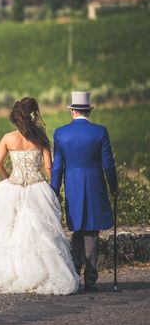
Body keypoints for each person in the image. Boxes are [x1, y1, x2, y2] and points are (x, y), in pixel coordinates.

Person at [0, 97, 80, 295]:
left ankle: (15, 273)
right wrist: (55, 191)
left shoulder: (8, 138)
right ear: (33, 115)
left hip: (14, 188)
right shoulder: (40, 137)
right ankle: (43, 273)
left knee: (11, 233)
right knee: (42, 234)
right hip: (37, 188)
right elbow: (49, 167)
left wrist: (9, 179)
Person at [51, 91, 118, 292]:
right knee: (92, 231)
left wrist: (54, 190)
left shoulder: (60, 133)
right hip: (95, 183)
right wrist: (114, 186)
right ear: (88, 111)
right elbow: (108, 164)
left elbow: (57, 167)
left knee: (77, 228)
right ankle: (90, 280)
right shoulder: (100, 131)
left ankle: (73, 275)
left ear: (72, 111)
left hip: (72, 184)